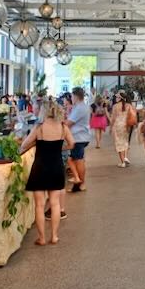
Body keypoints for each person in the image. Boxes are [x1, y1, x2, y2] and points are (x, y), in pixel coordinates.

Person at [20, 99, 74, 246]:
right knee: (55, 203)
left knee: (39, 205)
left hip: (40, 167)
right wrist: (59, 149)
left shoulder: (40, 128)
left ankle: (42, 238)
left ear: (44, 111)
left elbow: (24, 145)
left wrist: (36, 142)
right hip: (56, 167)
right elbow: (72, 144)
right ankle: (54, 236)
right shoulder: (63, 128)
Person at [64, 87, 90, 192]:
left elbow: (69, 123)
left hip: (79, 137)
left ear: (75, 96)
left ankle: (81, 182)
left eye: (72, 96)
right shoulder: (81, 106)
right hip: (80, 136)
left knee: (78, 160)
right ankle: (78, 180)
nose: (71, 98)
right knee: (75, 159)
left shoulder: (79, 108)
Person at [112, 90, 133, 167]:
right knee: (125, 141)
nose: (116, 98)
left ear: (120, 98)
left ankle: (123, 162)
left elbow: (113, 118)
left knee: (119, 144)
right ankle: (126, 157)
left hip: (118, 126)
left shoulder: (115, 106)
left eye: (117, 97)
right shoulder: (128, 105)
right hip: (126, 126)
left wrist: (111, 127)